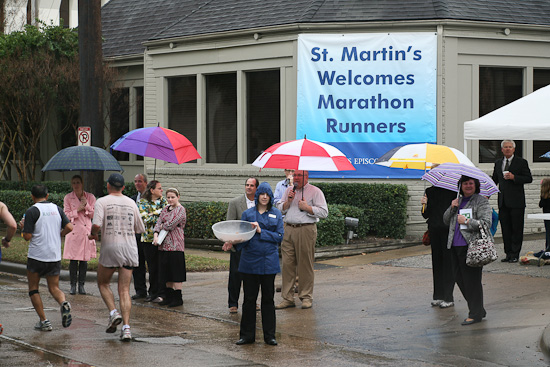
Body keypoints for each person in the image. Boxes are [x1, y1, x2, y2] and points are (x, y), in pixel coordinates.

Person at [222, 182, 283, 346]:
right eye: (262, 194)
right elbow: (242, 237)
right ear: (257, 196)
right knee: (249, 299)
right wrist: (232, 243)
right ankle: (247, 335)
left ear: (270, 197)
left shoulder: (276, 214)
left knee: (268, 300)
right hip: (249, 262)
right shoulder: (247, 214)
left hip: (269, 262)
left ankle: (270, 335)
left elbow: (279, 237)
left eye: (267, 194)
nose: (264, 197)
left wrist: (261, 231)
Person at [89, 173, 145, 341]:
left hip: (111, 247)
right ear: (123, 187)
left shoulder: (102, 201)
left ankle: (113, 313)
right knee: (125, 290)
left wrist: (94, 235)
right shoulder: (131, 202)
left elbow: (96, 224)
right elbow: (139, 228)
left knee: (103, 283)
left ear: (108, 186)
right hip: (129, 248)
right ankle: (126, 329)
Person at [21, 185, 74, 331]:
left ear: (32, 196)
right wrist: (59, 235)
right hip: (53, 255)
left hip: (37, 255)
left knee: (33, 288)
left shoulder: (32, 211)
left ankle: (44, 321)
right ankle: (63, 302)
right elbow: (69, 227)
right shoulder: (57, 209)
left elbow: (27, 236)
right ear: (47, 195)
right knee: (54, 287)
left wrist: (22, 228)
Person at [443, 176, 492, 325]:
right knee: (459, 279)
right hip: (454, 246)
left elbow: (486, 223)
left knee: (472, 281)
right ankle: (479, 309)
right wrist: (452, 208)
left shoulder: (481, 201)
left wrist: (467, 221)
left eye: (471, 183)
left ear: (476, 185)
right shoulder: (457, 201)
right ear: (460, 186)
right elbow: (445, 220)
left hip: (472, 247)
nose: (468, 186)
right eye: (465, 183)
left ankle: (475, 314)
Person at [276, 170, 328, 310]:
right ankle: (287, 298)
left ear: (307, 177)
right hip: (288, 229)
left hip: (306, 229)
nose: (296, 178)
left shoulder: (315, 191)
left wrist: (308, 208)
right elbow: (279, 208)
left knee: (305, 264)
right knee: (287, 265)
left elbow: (324, 212)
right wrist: (288, 202)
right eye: (295, 175)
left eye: (300, 175)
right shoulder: (288, 191)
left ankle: (306, 297)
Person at [491, 140, 532, 263]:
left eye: (510, 147)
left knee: (516, 229)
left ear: (514, 149)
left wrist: (515, 177)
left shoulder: (521, 162)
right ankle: (508, 253)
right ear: (502, 149)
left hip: (517, 202)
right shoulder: (498, 163)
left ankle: (515, 254)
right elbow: (494, 180)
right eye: (505, 147)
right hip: (503, 202)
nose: (508, 149)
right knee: (506, 229)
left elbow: (528, 178)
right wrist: (486, 193)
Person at [225, 177, 258, 313]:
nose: (248, 187)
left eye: (252, 185)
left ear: (257, 188)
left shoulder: (261, 203)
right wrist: (230, 241)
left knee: (253, 277)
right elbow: (230, 224)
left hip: (255, 245)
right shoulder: (235, 203)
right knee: (235, 274)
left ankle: (253, 301)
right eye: (247, 185)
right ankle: (233, 303)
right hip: (238, 244)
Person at [421, 184, 456, 308]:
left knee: (448, 263)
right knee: (437, 262)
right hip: (434, 230)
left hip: (448, 231)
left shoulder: (453, 191)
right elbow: (425, 214)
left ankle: (448, 297)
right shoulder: (429, 191)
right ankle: (438, 295)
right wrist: (424, 204)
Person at [63, 175, 96, 295]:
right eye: (74, 183)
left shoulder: (90, 197)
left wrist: (85, 205)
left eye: (78, 182)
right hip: (73, 231)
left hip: (85, 231)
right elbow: (65, 215)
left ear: (82, 184)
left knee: (84, 260)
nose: (76, 185)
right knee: (73, 259)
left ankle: (81, 285)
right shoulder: (68, 198)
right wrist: (77, 210)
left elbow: (94, 214)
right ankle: (72, 285)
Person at [153, 188, 187, 307]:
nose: (170, 199)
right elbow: (158, 223)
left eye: (173, 197)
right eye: (168, 197)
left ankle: (178, 297)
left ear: (178, 197)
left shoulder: (181, 210)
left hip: (176, 245)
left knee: (176, 272)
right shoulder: (165, 209)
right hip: (164, 246)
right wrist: (156, 233)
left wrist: (161, 225)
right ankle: (169, 296)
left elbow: (171, 224)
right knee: (166, 272)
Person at [138, 180, 167, 303]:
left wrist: (154, 213)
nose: (162, 190)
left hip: (162, 238)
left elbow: (167, 215)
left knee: (161, 266)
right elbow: (145, 219)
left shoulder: (164, 201)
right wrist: (159, 213)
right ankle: (152, 292)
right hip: (148, 239)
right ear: (152, 190)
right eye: (159, 188)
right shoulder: (143, 202)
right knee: (152, 267)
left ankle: (162, 292)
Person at [131, 173, 148, 300]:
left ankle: (154, 291)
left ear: (146, 183)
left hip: (148, 235)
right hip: (135, 235)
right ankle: (140, 290)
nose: (137, 184)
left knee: (151, 264)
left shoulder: (151, 199)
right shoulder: (132, 199)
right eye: (136, 181)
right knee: (137, 264)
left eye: (140, 181)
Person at [539, 178, 550, 251]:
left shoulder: (544, 197)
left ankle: (548, 247)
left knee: (548, 232)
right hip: (547, 216)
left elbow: (540, 204)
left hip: (546, 216)